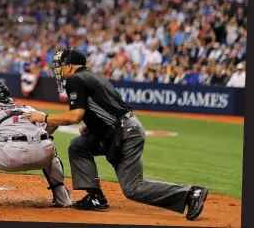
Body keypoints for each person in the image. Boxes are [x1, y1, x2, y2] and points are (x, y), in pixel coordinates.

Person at [23, 46, 208, 221]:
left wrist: (43, 117)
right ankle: (95, 197)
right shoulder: (92, 78)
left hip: (124, 133)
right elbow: (107, 108)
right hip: (120, 129)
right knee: (79, 146)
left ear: (70, 65)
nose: (59, 70)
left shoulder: (75, 80)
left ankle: (191, 193)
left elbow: (74, 116)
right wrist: (91, 126)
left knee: (133, 188)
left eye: (61, 65)